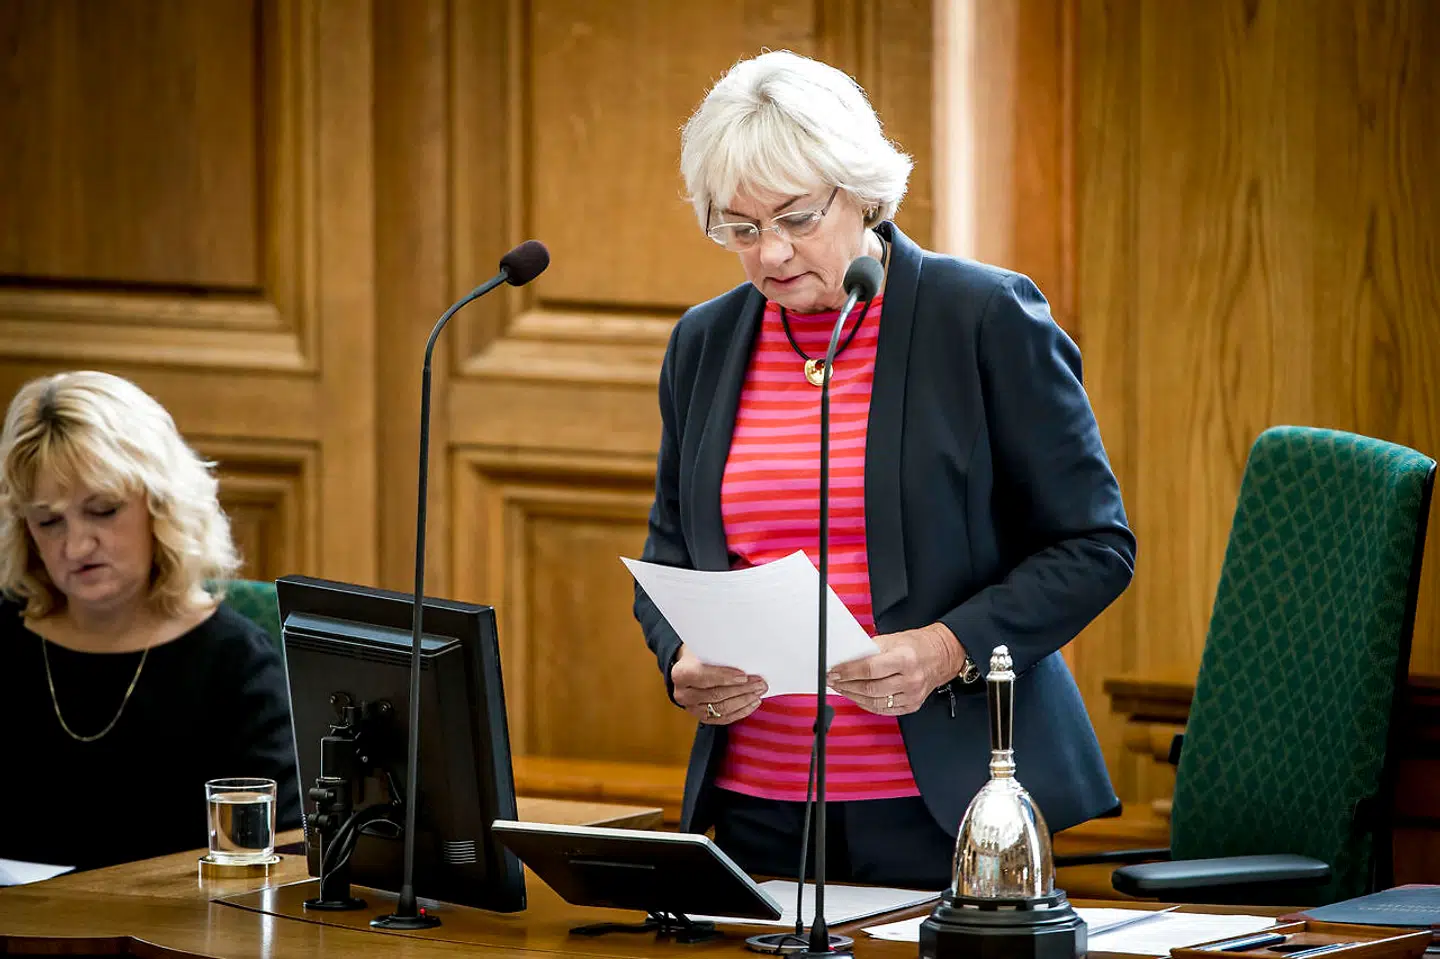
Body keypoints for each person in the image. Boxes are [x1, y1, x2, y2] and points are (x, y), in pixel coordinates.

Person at [632, 51, 1136, 888]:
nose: (771, 253)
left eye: (796, 217)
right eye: (741, 228)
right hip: (758, 804)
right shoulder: (705, 343)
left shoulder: (980, 317)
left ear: (861, 190)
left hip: (949, 807)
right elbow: (670, 554)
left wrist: (946, 648)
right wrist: (681, 654)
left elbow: (1094, 545)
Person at [0, 371, 302, 872]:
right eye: (48, 521)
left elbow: (283, 854)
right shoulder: (5, 636)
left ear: (162, 506)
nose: (75, 546)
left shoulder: (236, 664)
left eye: (103, 510)